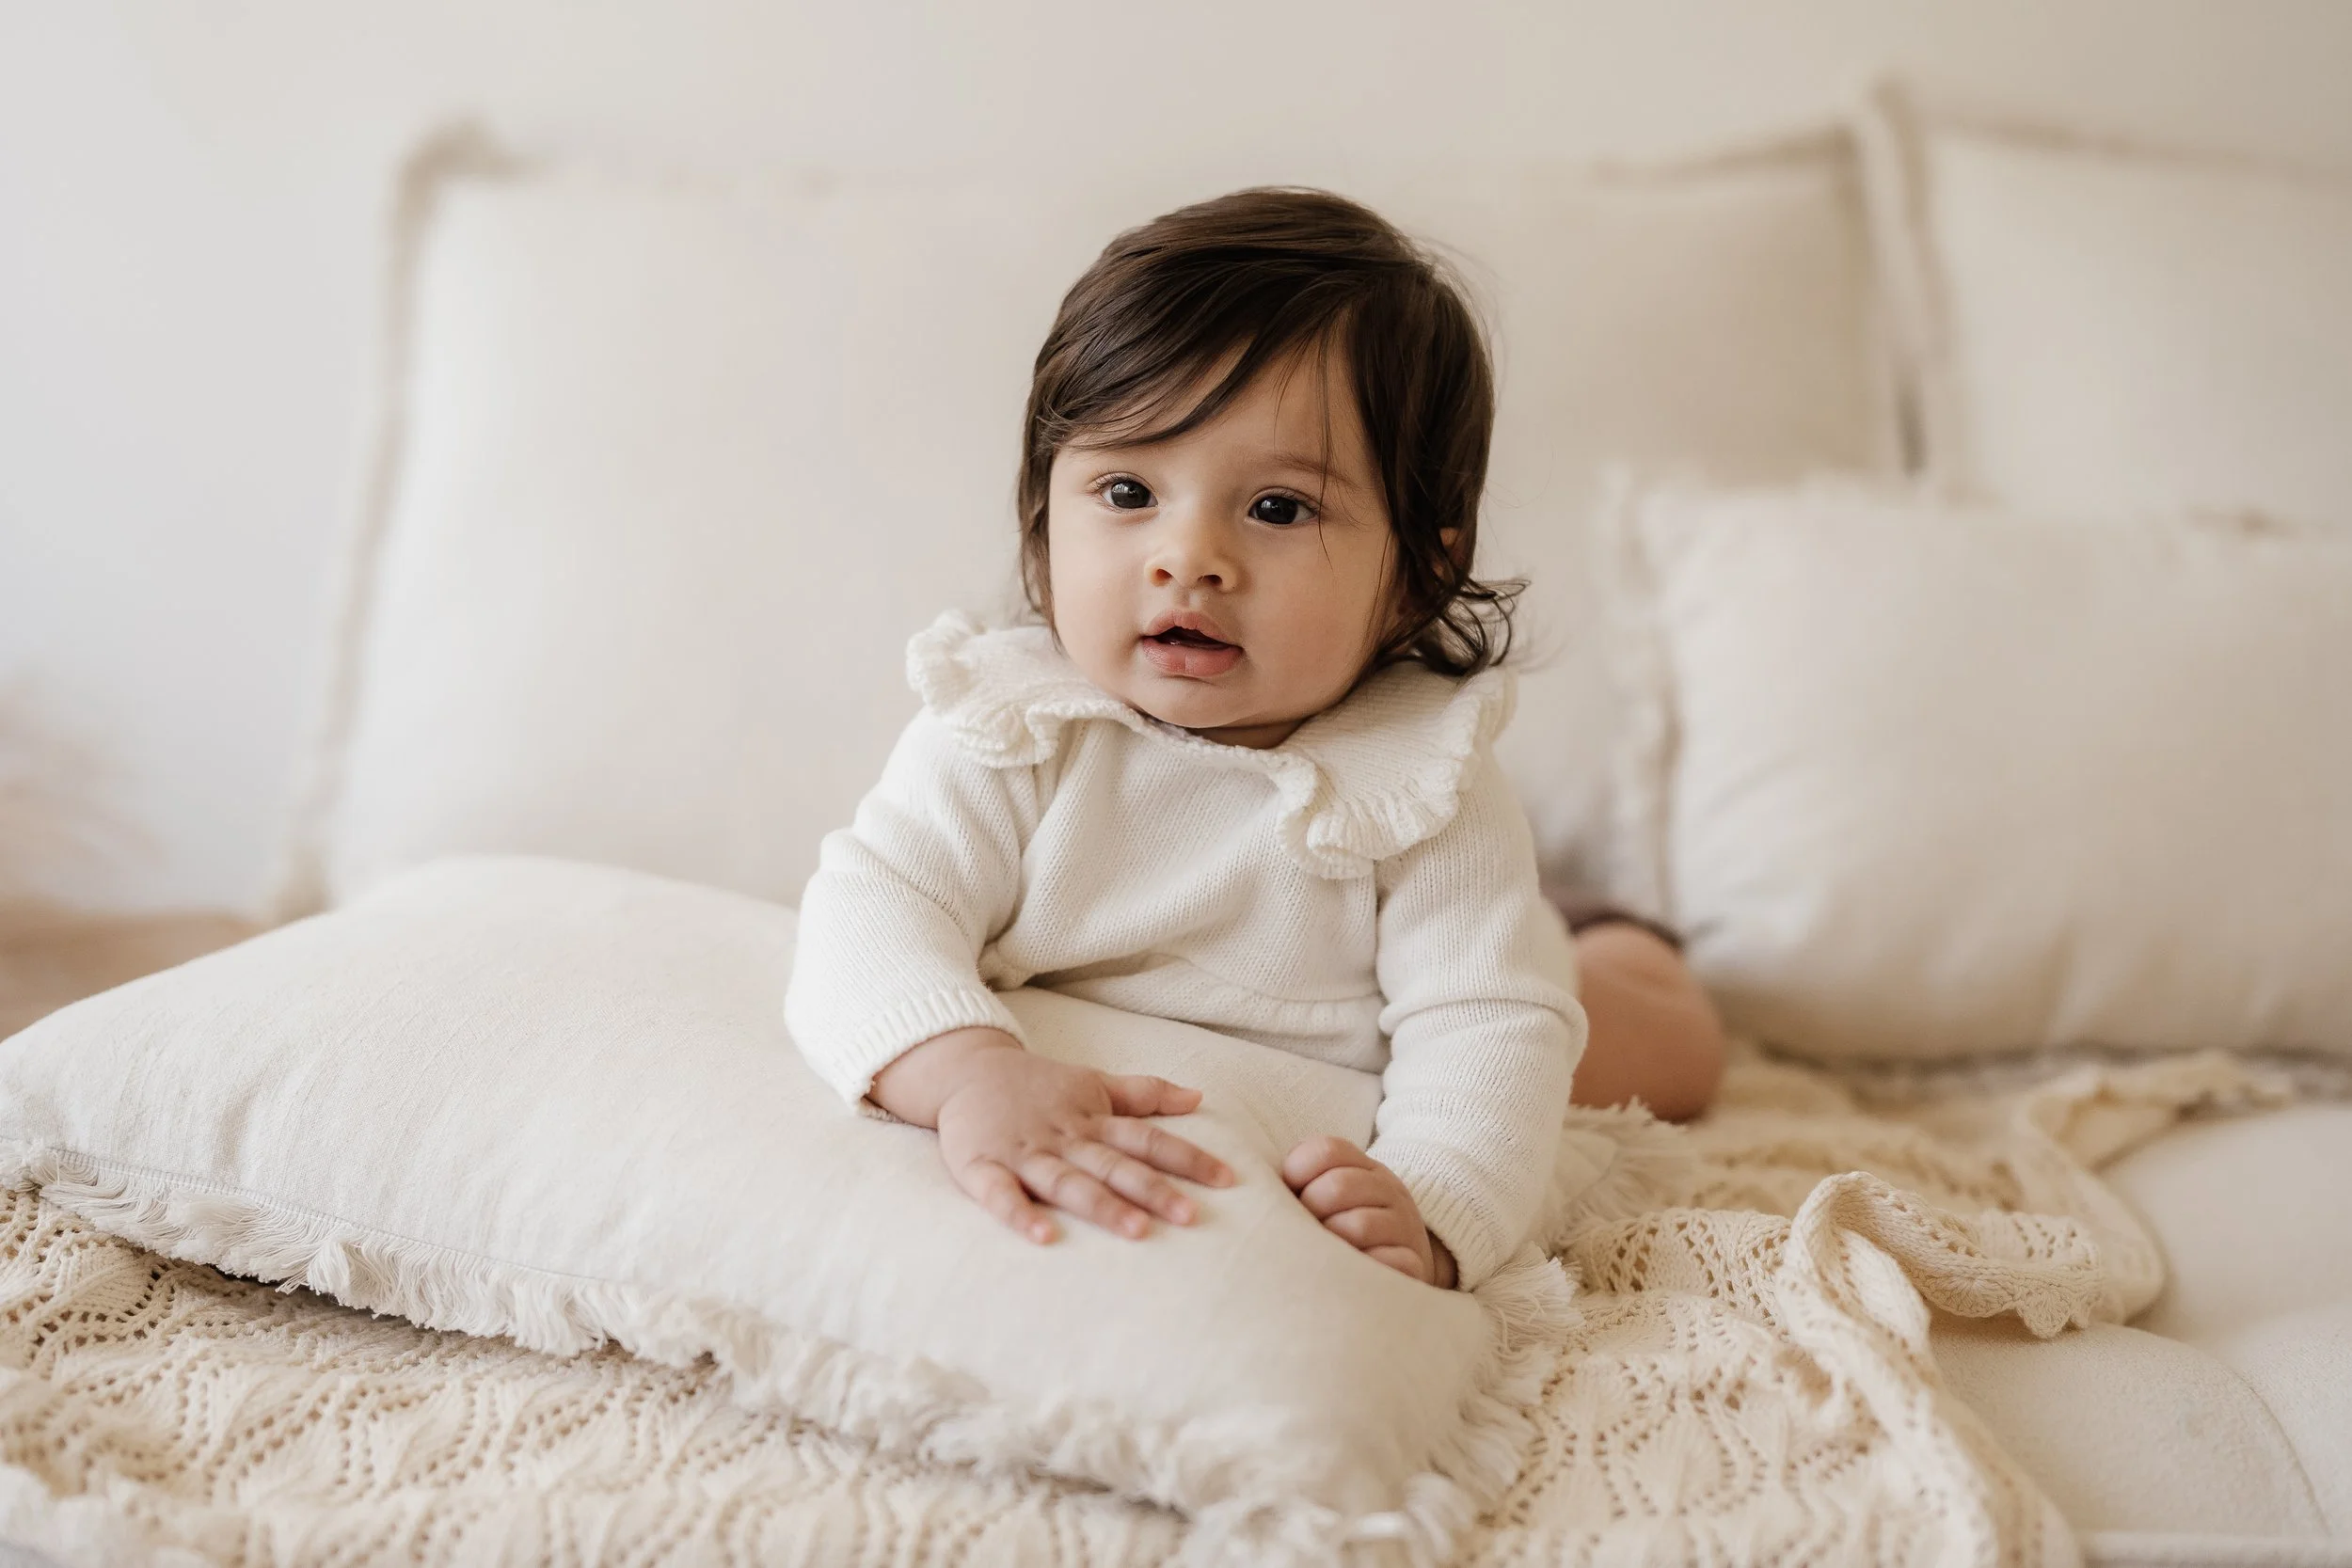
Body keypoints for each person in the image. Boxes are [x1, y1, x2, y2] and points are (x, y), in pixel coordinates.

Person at [786, 188, 1719, 1292]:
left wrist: (1434, 1202)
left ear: (1419, 569)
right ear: (1044, 515)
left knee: (1657, 1043)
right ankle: (1559, 913)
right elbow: (873, 903)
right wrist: (964, 1068)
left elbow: (1485, 1026)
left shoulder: (1424, 790)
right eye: (1127, 490)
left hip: (1409, 993)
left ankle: (1612, 931)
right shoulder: (1011, 727)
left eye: (1277, 509)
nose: (1189, 556)